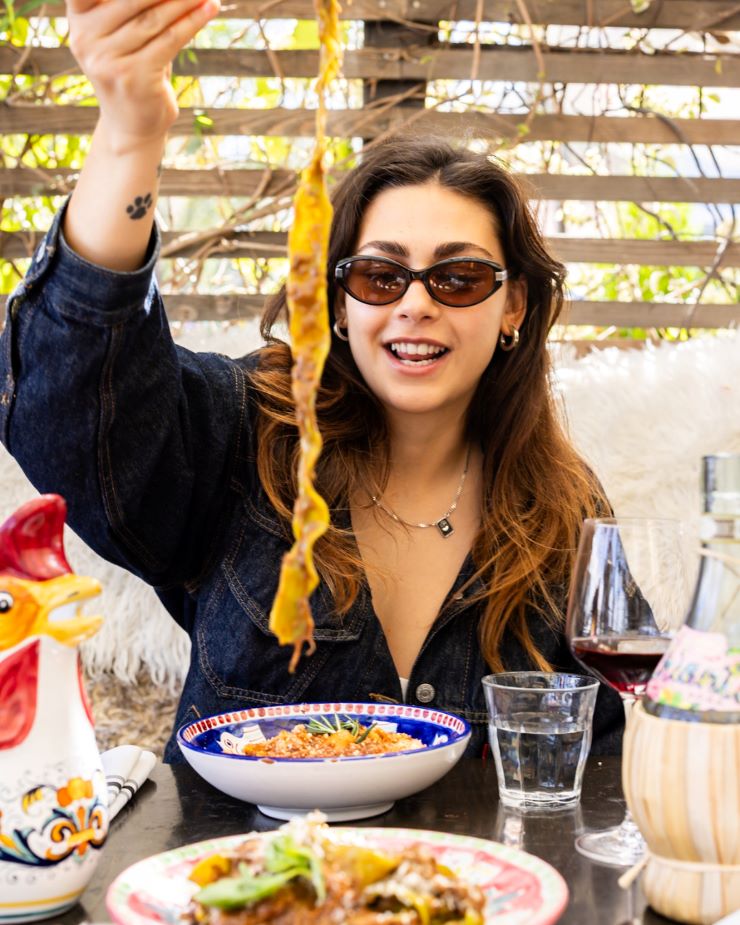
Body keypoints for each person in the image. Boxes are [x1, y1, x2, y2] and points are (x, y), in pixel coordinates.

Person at [0, 0, 623, 763]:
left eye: (458, 278)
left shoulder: (567, 513)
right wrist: (131, 133)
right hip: (237, 874)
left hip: (482, 882)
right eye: (379, 275)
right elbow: (68, 411)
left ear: (512, 307)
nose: (417, 303)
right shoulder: (242, 438)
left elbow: (618, 754)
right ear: (335, 303)